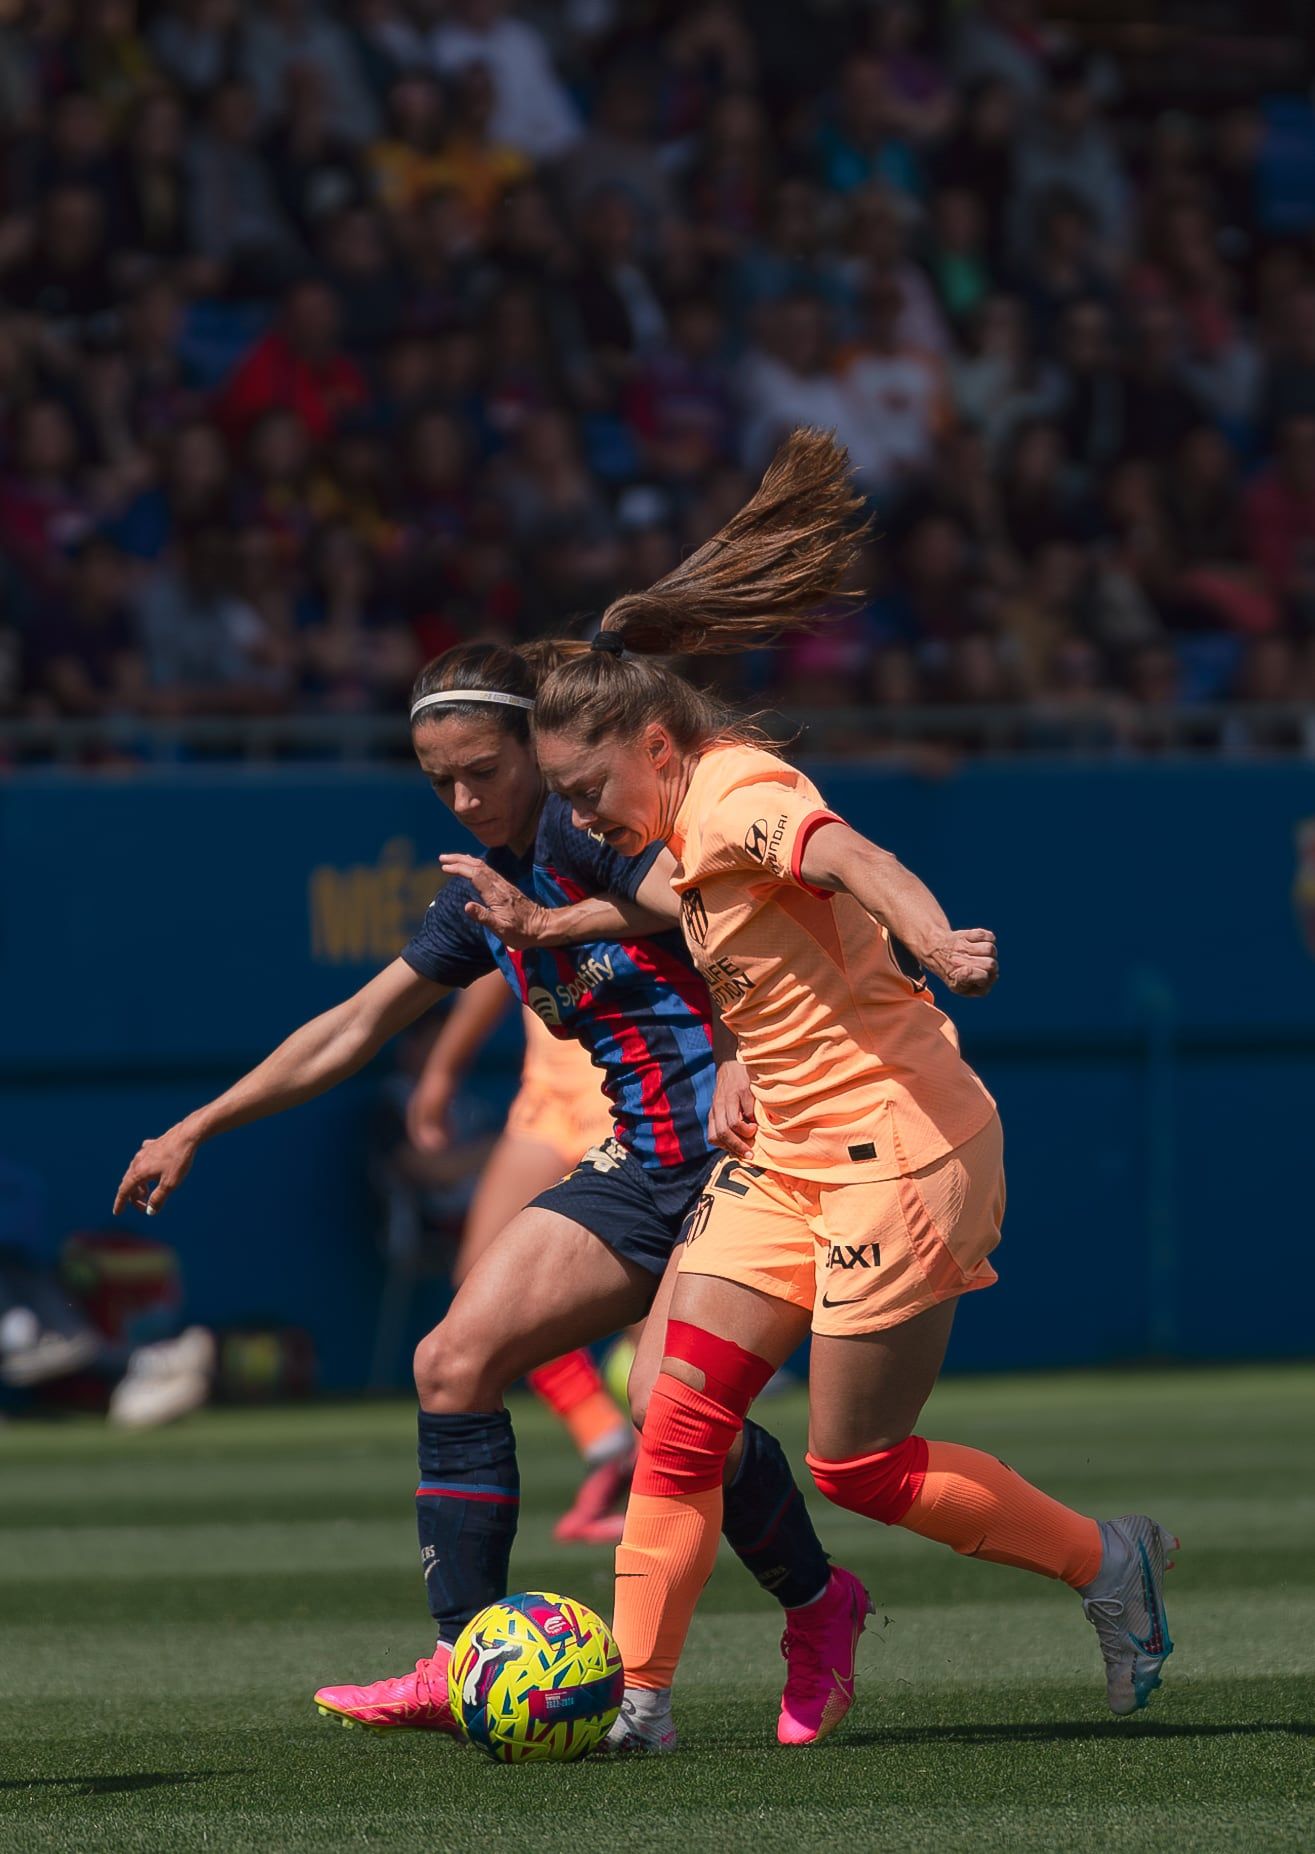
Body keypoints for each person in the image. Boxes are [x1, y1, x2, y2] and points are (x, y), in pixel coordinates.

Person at [515, 429, 1177, 1752]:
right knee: (676, 1401)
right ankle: (638, 1698)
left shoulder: (737, 792)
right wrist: (730, 1041)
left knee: (854, 1466)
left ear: (652, 740)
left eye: (588, 788)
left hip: (902, 1146)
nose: (582, 817)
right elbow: (736, 935)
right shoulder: (667, 829)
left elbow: (852, 858)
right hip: (788, 1148)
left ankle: (1105, 1561)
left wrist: (935, 939)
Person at [112, 639, 860, 1746]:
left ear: (539, 750)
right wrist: (198, 1126)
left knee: (668, 1410)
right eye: (439, 782)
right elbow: (354, 1028)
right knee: (450, 1361)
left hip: (751, 1163)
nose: (464, 799)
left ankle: (817, 1605)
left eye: (483, 771)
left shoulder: (585, 837)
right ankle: (466, 1661)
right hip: (641, 1164)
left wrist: (746, 1039)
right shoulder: (483, 898)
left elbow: (708, 905)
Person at [406, 972, 636, 1542]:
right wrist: (441, 1070)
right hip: (546, 1095)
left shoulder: (620, 880)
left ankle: (667, 1487)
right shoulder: (503, 885)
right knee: (480, 1288)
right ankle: (605, 1438)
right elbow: (495, 964)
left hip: (622, 1081)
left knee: (648, 1317)